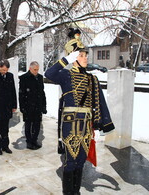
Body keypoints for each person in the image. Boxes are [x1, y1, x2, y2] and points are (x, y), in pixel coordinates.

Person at [45, 28, 115, 195]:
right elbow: (49, 73)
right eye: (81, 55)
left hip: (86, 125)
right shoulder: (65, 75)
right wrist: (65, 60)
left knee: (81, 161)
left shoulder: (92, 78)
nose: (85, 58)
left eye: (85, 55)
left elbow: (100, 103)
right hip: (70, 124)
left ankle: (76, 192)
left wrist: (101, 126)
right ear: (73, 58)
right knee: (70, 162)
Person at [19, 61, 47, 150]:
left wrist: (44, 106)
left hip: (38, 105)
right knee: (28, 124)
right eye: (34, 69)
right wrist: (22, 107)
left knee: (37, 124)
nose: (36, 71)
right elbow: (21, 94)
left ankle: (34, 140)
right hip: (28, 105)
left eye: (37, 70)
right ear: (30, 68)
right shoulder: (24, 78)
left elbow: (42, 93)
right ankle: (29, 142)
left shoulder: (40, 77)